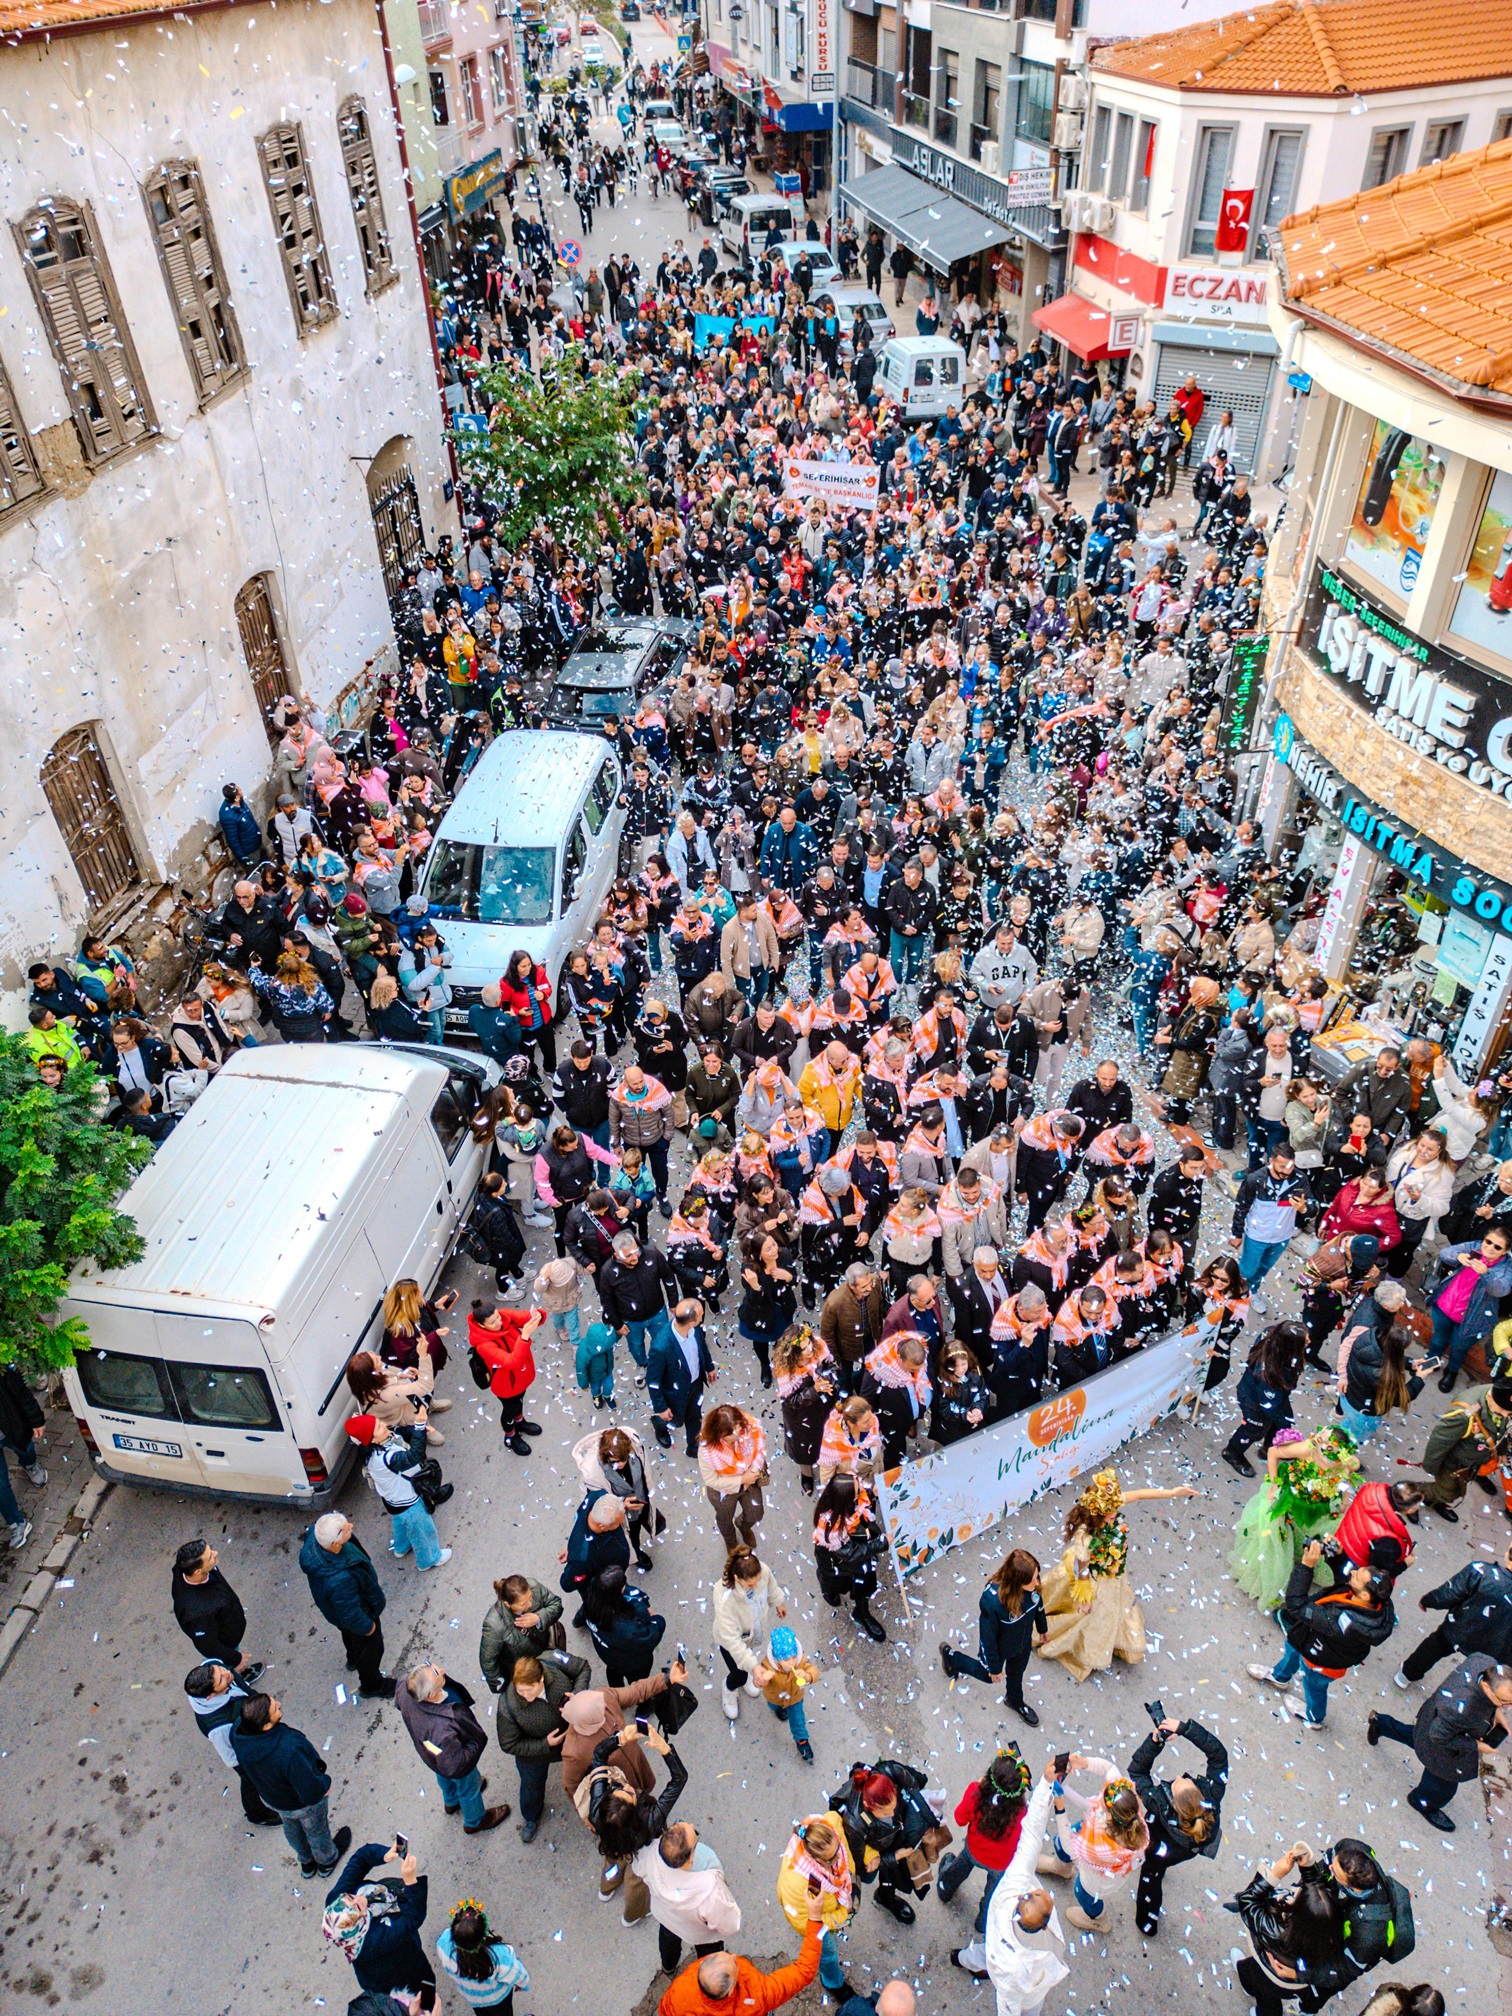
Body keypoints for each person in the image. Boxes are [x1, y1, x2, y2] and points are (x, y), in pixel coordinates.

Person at [1037, 1469, 1197, 1681]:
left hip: (1113, 1574)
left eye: (1114, 1508)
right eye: (1109, 1510)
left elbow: (1139, 1494)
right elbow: (1081, 1569)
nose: (1114, 1512)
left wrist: (1172, 1493)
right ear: (1097, 1512)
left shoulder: (1109, 1507)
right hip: (1094, 1580)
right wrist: (1085, 1598)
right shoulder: (1085, 1536)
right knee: (1091, 1616)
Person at [953, 1760, 1068, 2010]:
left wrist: (1048, 1783)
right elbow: (1033, 1829)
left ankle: (962, 1958)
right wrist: (1047, 1784)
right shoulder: (1048, 1938)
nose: (1031, 1889)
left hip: (1002, 1964)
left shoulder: (1014, 1883)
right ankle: (969, 1946)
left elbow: (1008, 2003)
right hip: (1034, 1993)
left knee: (978, 1955)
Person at [1249, 1536, 1396, 1728]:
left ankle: (1314, 1717)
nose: (1352, 1572)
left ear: (1365, 1595)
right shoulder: (1373, 1601)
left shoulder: (1343, 1623)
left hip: (1321, 1661)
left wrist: (1306, 1566)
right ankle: (1280, 1677)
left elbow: (1297, 1605)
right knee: (1292, 1652)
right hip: (1308, 1639)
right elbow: (1345, 1573)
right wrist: (1338, 1555)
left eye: (1358, 1575)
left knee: (1313, 1686)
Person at [1367, 1654, 1512, 1832]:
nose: (1508, 1706)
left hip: (1432, 1720)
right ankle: (1423, 1801)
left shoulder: (1484, 1662)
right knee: (1443, 1786)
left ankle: (1381, 1724)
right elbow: (1439, 1737)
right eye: (1505, 1701)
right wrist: (1477, 1746)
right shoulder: (1461, 1709)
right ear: (1486, 1687)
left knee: (1418, 1738)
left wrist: (1496, 1710)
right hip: (1444, 1753)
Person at [231, 1691, 352, 1878]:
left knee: (292, 1828)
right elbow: (310, 1792)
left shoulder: (238, 1735)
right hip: (302, 1804)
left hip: (275, 1798)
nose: (279, 1704)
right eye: (274, 1708)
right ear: (266, 1725)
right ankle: (327, 1861)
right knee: (316, 1830)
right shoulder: (288, 1749)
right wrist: (325, 1784)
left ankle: (306, 1862)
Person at [1127, 1716, 1228, 1934]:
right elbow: (1219, 1756)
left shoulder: (1156, 1803)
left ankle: (1146, 1921)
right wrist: (1184, 1729)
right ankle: (1148, 1920)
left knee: (1150, 1877)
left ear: (1172, 1802)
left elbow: (1136, 1772)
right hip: (1186, 1850)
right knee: (1154, 1874)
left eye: (1176, 1784)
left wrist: (1154, 1742)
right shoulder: (1212, 1796)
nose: (1178, 1777)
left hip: (1157, 1850)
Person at [1227, 1844, 1343, 2016]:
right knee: (1259, 1978)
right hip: (1299, 1983)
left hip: (1271, 1975)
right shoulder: (1331, 1929)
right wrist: (1308, 1867)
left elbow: (1248, 1903)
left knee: (1265, 1993)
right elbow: (1318, 1899)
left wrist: (1274, 1875)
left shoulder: (1277, 1931)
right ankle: (1250, 1985)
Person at [1036, 1754, 1149, 1931]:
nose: (1100, 1795)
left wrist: (1060, 1808)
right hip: (1089, 1841)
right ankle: (1061, 1868)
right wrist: (1084, 1763)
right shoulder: (1125, 1803)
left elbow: (1070, 1846)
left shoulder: (1101, 1847)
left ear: (1109, 1816)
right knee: (1062, 1844)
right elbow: (1109, 1769)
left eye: (1101, 1797)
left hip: (1096, 1880)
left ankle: (1097, 1918)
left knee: (1084, 1895)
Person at [493, 1648, 593, 1845]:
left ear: (541, 1680)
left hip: (573, 1735)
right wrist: (544, 1744)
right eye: (520, 1690)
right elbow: (509, 1744)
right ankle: (531, 1817)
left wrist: (577, 1695)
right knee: (531, 1787)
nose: (524, 1695)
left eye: (529, 1690)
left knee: (588, 1768)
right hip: (536, 1754)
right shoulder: (508, 1706)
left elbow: (582, 1668)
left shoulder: (553, 1659)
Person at [396, 1663, 510, 1834]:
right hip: (453, 1757)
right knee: (468, 1786)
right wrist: (475, 1742)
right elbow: (457, 1764)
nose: (442, 1670)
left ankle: (451, 1801)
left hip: (431, 1753)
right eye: (436, 1673)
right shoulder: (442, 1730)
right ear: (431, 1694)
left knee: (442, 1772)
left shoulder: (405, 1685)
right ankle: (475, 1821)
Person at [940, 1548, 1048, 1724]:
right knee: (986, 1676)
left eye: (1037, 1576)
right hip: (999, 1648)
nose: (1037, 1583)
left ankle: (1014, 1700)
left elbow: (1038, 1605)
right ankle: (951, 1657)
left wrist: (1043, 1628)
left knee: (1017, 1672)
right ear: (1017, 1581)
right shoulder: (993, 1602)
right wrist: (995, 1667)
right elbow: (987, 1638)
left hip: (1022, 1643)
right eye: (1033, 1580)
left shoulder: (1033, 1584)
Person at [936, 1746, 1031, 1942]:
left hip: (973, 1850)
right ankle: (983, 1921)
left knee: (959, 1867)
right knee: (992, 1893)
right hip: (1001, 1863)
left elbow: (960, 1818)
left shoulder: (976, 1794)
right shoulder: (1023, 1812)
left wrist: (977, 1787)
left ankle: (945, 1889)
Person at [659, 1904, 822, 2016]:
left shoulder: (681, 1989)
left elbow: (665, 2010)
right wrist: (814, 1918)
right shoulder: (758, 1995)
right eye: (734, 1963)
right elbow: (804, 1970)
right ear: (729, 1992)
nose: (733, 1956)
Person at [637, 1813, 743, 1985]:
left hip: (667, 1917)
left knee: (668, 1940)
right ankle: (703, 1978)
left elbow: (638, 1869)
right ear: (689, 1859)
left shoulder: (649, 1856)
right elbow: (731, 1925)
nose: (693, 1825)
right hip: (699, 1934)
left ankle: (668, 1967)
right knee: (709, 1955)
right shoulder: (709, 1889)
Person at [321, 1839, 432, 2002]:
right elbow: (413, 1917)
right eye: (358, 1908)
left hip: (390, 1954)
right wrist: (410, 1882)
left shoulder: (337, 1903)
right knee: (423, 1989)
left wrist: (385, 1854)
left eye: (351, 1897)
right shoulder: (374, 1941)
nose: (358, 1898)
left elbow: (361, 1858)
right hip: (399, 1973)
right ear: (358, 1926)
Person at [298, 1511, 394, 1698]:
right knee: (370, 1650)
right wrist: (368, 1627)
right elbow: (351, 1614)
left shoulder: (316, 1539)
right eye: (346, 1528)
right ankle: (372, 1685)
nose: (351, 1526)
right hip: (359, 1614)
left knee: (350, 1636)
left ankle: (353, 1659)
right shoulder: (340, 1579)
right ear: (335, 1545)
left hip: (337, 1613)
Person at [1393, 1541, 1512, 1687]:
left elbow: (1449, 1593)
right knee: (1485, 1674)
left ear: (1508, 1554)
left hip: (1459, 1628)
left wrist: (1428, 1601)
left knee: (1433, 1648)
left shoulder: (1481, 1572)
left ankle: (1406, 1675)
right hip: (1495, 1648)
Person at [346, 1411, 453, 1570]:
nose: (383, 1425)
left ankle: (401, 1548)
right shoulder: (387, 1458)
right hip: (409, 1503)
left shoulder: (370, 1453)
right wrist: (419, 1426)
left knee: (400, 1524)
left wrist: (419, 1431)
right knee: (422, 1532)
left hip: (392, 1501)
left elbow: (398, 1435)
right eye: (379, 1428)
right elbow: (414, 1456)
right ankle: (429, 1559)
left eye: (379, 1421)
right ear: (372, 1439)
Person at [181, 1660, 281, 1826]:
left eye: (220, 1670)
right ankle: (256, 1813)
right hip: (244, 1754)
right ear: (210, 1696)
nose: (227, 1673)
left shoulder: (213, 1666)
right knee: (251, 1781)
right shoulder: (219, 1727)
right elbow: (231, 1757)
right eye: (221, 1679)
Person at [776, 1815, 857, 1999]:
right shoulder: (797, 1885)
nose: (838, 1859)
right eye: (830, 1860)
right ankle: (832, 1982)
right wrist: (843, 1913)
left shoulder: (831, 1825)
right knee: (827, 1953)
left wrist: (849, 1875)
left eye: (837, 1850)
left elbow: (844, 1853)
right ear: (812, 1858)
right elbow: (804, 1923)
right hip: (817, 1921)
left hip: (830, 1908)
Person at [1222, 1321, 1309, 1476]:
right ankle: (1232, 1452)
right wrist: (1287, 1426)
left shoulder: (1272, 1337)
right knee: (1254, 1429)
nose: (1309, 1341)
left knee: (1279, 1422)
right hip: (1254, 1401)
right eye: (1305, 1340)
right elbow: (1271, 1406)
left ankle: (1269, 1447)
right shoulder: (1270, 1374)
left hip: (1275, 1397)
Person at [1419, 1377, 1512, 1522]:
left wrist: (1501, 1451)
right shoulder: (1464, 1413)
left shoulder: (1503, 1398)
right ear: (1489, 1397)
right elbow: (1440, 1440)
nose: (1506, 1416)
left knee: (1455, 1490)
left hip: (1471, 1462)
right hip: (1453, 1463)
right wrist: (1430, 1466)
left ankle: (1435, 1501)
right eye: (1500, 1414)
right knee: (1448, 1493)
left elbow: (1502, 1430)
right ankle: (1409, 1494)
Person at [170, 1539, 262, 1684]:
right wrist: (236, 1658)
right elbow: (209, 1645)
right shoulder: (197, 1613)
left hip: (225, 1623)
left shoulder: (185, 1570)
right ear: (198, 1571)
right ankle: (236, 1681)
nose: (215, 1553)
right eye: (210, 1557)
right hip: (225, 1641)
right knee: (226, 1670)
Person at [712, 1544, 787, 1720]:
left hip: (752, 1633)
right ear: (737, 1578)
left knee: (747, 1660)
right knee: (738, 1673)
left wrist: (778, 1602)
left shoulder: (763, 1572)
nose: (755, 1586)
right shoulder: (725, 1599)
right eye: (750, 1584)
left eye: (757, 1580)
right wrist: (754, 1667)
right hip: (731, 1642)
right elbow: (731, 1640)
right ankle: (729, 1688)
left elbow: (771, 1586)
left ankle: (746, 1674)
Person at [467, 1300, 544, 1454]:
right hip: (505, 1386)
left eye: (498, 1317)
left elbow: (523, 1317)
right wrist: (525, 1336)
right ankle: (510, 1436)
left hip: (520, 1377)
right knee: (510, 1409)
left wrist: (536, 1316)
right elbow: (511, 1362)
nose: (499, 1322)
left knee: (519, 1401)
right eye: (493, 1322)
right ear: (482, 1325)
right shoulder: (484, 1345)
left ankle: (520, 1422)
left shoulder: (502, 1316)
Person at [435, 1899, 531, 2013]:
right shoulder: (499, 1956)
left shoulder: (444, 1943)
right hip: (497, 1999)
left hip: (473, 1998)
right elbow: (518, 1974)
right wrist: (523, 1985)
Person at [646, 1298, 715, 1454]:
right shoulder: (661, 1347)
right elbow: (653, 1380)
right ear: (691, 1323)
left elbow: (701, 1346)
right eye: (701, 1314)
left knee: (695, 1416)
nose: (703, 1316)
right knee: (675, 1421)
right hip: (674, 1394)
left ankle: (693, 1447)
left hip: (695, 1383)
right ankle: (658, 1423)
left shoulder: (695, 1329)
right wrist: (661, 1408)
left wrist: (709, 1367)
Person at [698, 1404, 767, 1551]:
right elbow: (711, 1480)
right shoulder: (707, 1450)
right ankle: (730, 1541)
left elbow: (760, 1449)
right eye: (730, 1434)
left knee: (756, 1513)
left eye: (738, 1429)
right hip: (723, 1490)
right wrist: (742, 1480)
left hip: (750, 1478)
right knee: (724, 1518)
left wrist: (753, 1472)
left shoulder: (750, 1426)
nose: (737, 1435)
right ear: (718, 1434)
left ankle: (743, 1525)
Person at [0, 1365, 46, 1546]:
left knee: (25, 1449)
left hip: (12, 1427)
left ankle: (31, 1465)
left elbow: (21, 1393)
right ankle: (16, 1523)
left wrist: (36, 1419)